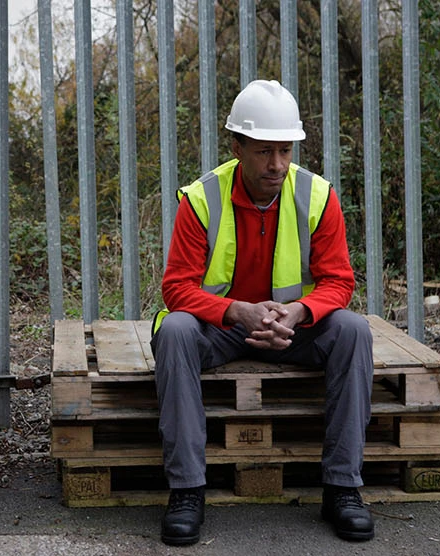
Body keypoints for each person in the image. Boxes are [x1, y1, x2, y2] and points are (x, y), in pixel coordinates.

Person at [150, 80, 375, 546]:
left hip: (295, 328)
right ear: (237, 147)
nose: (276, 164)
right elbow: (176, 288)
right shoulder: (201, 199)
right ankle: (187, 490)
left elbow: (340, 281)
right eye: (264, 152)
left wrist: (297, 312)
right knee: (173, 331)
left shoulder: (317, 196)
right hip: (222, 328)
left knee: (353, 330)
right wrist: (238, 313)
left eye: (285, 151)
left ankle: (343, 488)